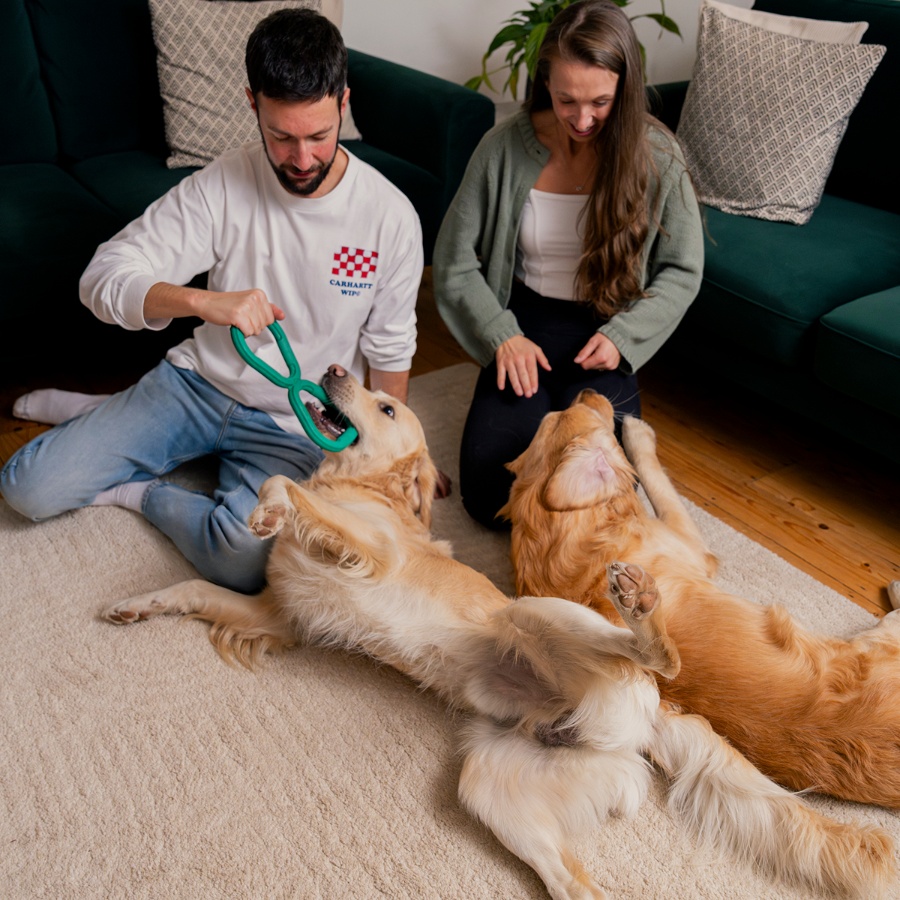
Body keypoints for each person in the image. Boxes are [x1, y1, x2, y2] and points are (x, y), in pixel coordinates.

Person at [1, 9, 423, 593]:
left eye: (319, 136)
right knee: (29, 489)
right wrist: (202, 301)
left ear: (343, 103)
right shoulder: (221, 185)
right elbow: (101, 278)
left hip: (294, 424)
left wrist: (389, 463)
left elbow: (391, 345)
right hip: (196, 388)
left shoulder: (391, 217)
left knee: (250, 564)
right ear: (252, 104)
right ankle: (105, 416)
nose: (302, 158)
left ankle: (136, 487)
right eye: (281, 136)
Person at [432, 0, 703, 529]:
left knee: (607, 492)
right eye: (566, 100)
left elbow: (682, 269)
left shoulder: (659, 156)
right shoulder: (502, 149)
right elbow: (454, 260)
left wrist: (625, 336)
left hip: (603, 336)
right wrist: (499, 335)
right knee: (490, 494)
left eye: (601, 102)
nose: (582, 120)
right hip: (523, 329)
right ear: (546, 84)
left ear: (626, 87)